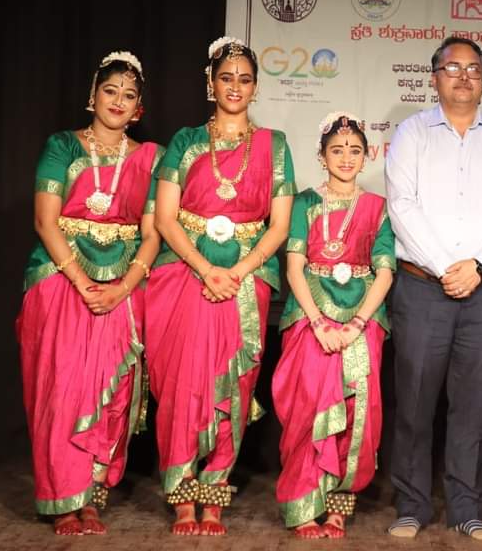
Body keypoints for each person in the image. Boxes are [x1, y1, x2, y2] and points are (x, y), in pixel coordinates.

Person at [384, 37, 482, 541]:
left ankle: (467, 506)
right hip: (423, 288)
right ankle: (411, 504)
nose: (464, 77)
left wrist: (478, 265)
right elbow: (402, 206)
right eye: (453, 68)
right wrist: (449, 266)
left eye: (473, 69)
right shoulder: (412, 132)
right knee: (415, 400)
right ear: (434, 77)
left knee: (473, 405)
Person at [145, 36, 294, 536]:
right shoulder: (185, 141)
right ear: (210, 83)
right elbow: (166, 218)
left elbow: (279, 225)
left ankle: (213, 490)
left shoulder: (275, 145)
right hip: (183, 273)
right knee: (182, 382)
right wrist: (205, 268)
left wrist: (238, 271)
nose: (235, 86)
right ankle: (182, 488)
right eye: (226, 77)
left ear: (255, 87)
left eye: (245, 78)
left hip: (246, 279)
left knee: (233, 383)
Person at [17, 51, 160, 535]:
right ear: (92, 96)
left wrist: (122, 287)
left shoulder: (149, 157)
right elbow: (45, 220)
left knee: (113, 391)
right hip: (61, 281)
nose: (118, 101)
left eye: (129, 95)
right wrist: (82, 282)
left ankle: (92, 495)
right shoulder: (62, 146)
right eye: (110, 91)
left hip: (122, 285)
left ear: (139, 107)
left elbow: (153, 232)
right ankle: (62, 498)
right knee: (63, 387)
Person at [272, 112, 395, 539]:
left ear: (366, 158)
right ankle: (305, 504)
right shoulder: (305, 202)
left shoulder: (379, 208)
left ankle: (339, 505)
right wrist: (319, 323)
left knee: (357, 409)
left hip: (362, 316)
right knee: (307, 405)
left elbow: (384, 272)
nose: (346, 157)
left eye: (355, 150)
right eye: (337, 150)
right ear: (322, 156)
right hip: (311, 316)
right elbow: (293, 268)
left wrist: (358, 322)